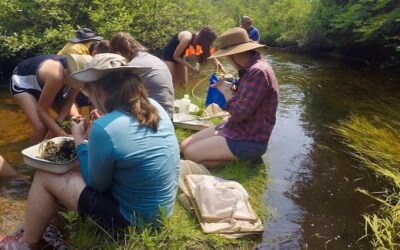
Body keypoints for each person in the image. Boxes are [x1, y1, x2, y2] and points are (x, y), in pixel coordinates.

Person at [0, 53, 180, 248]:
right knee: (77, 166)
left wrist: (78, 138)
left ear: (97, 89)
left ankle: (26, 243)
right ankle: (53, 222)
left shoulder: (106, 127)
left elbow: (98, 185)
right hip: (160, 214)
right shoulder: (155, 106)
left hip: (131, 224)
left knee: (45, 174)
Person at [181, 27, 278, 168]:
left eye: (226, 54)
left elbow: (238, 113)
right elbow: (244, 102)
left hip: (249, 138)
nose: (226, 58)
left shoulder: (257, 72)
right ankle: (236, 158)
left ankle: (247, 159)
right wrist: (229, 88)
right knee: (185, 146)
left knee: (190, 154)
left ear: (234, 55)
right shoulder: (249, 68)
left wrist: (225, 91)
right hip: (235, 127)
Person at [9, 54, 91, 144]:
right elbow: (41, 109)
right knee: (40, 127)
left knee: (75, 120)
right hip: (24, 82)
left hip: (49, 84)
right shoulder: (56, 76)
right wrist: (61, 133)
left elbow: (69, 100)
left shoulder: (80, 75)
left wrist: (59, 122)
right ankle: (33, 155)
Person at [110, 32, 175, 118]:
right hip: (169, 113)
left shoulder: (133, 66)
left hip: (156, 116)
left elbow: (118, 94)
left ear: (118, 53)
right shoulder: (153, 58)